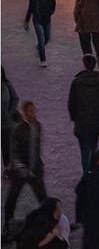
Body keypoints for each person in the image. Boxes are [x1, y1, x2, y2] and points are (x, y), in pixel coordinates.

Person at [3, 101, 47, 237]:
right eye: (31, 111)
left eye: (34, 111)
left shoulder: (38, 126)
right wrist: (22, 170)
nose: (34, 114)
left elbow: (37, 148)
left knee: (42, 196)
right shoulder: (18, 130)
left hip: (34, 169)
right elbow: (15, 154)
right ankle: (7, 225)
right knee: (12, 198)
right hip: (20, 173)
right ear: (24, 113)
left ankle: (50, 221)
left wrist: (38, 166)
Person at [67, 55, 99, 175]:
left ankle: (87, 174)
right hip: (96, 121)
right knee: (93, 146)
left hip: (81, 121)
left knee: (84, 150)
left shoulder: (76, 82)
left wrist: (73, 117)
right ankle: (92, 171)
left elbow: (71, 103)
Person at [24, 0, 56, 66]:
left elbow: (53, 1)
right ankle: (43, 59)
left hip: (47, 18)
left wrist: (52, 11)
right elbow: (30, 7)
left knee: (47, 38)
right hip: (37, 19)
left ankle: (39, 47)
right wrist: (27, 20)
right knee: (41, 39)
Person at [1, 67, 19, 170]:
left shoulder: (7, 84)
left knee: (7, 146)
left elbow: (15, 98)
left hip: (6, 123)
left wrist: (10, 112)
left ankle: (8, 167)